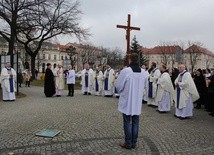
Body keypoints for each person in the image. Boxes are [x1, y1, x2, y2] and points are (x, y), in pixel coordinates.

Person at [115, 53, 148, 149]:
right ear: (137, 60)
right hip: (137, 100)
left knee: (127, 121)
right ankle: (134, 142)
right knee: (135, 121)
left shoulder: (126, 71)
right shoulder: (143, 72)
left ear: (130, 60)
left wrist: (121, 91)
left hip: (127, 100)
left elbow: (118, 85)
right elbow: (145, 85)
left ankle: (128, 143)